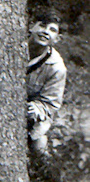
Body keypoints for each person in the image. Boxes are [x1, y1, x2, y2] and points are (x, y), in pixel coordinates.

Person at [27, 10, 67, 157]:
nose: (45, 32)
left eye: (52, 30)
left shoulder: (56, 68)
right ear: (32, 26)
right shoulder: (12, 46)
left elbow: (51, 104)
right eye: (42, 26)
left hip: (30, 118)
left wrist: (36, 109)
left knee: (39, 145)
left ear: (57, 38)